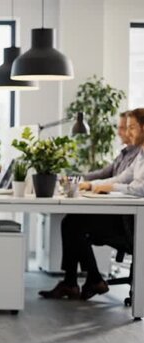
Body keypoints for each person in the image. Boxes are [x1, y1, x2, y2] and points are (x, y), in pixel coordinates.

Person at [39, 108, 144, 301]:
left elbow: (138, 189)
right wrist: (87, 183)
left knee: (74, 225)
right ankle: (79, 281)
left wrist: (107, 188)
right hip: (121, 216)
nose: (126, 133)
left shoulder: (139, 153)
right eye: (124, 128)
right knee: (72, 222)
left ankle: (86, 280)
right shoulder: (138, 156)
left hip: (131, 224)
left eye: (131, 128)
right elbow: (118, 177)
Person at [82, 111, 139, 181]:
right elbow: (102, 173)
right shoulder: (123, 154)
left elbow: (124, 181)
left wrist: (93, 185)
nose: (118, 133)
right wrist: (77, 177)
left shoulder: (139, 155)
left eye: (122, 128)